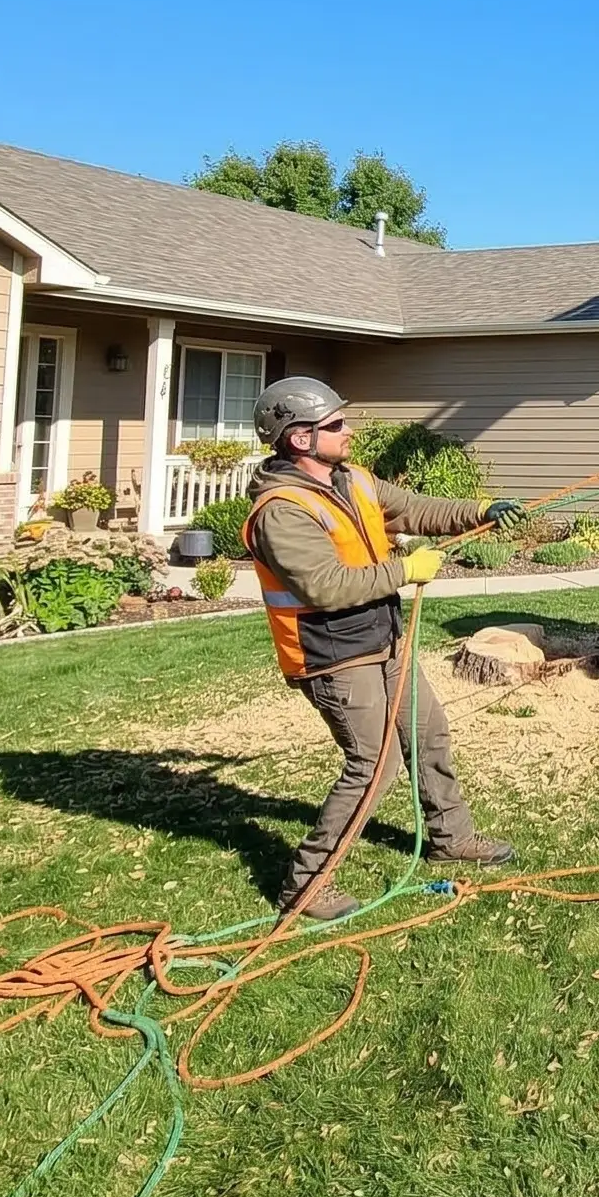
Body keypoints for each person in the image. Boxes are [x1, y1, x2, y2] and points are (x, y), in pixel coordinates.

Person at [242, 376, 526, 920]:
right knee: (374, 765)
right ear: (299, 439)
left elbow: (414, 508)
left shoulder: (353, 481)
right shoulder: (282, 509)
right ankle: (305, 886)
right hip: (332, 655)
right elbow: (325, 585)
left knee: (427, 732)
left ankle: (450, 835)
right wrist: (406, 569)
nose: (348, 431)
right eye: (334, 425)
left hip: (384, 639)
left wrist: (482, 510)